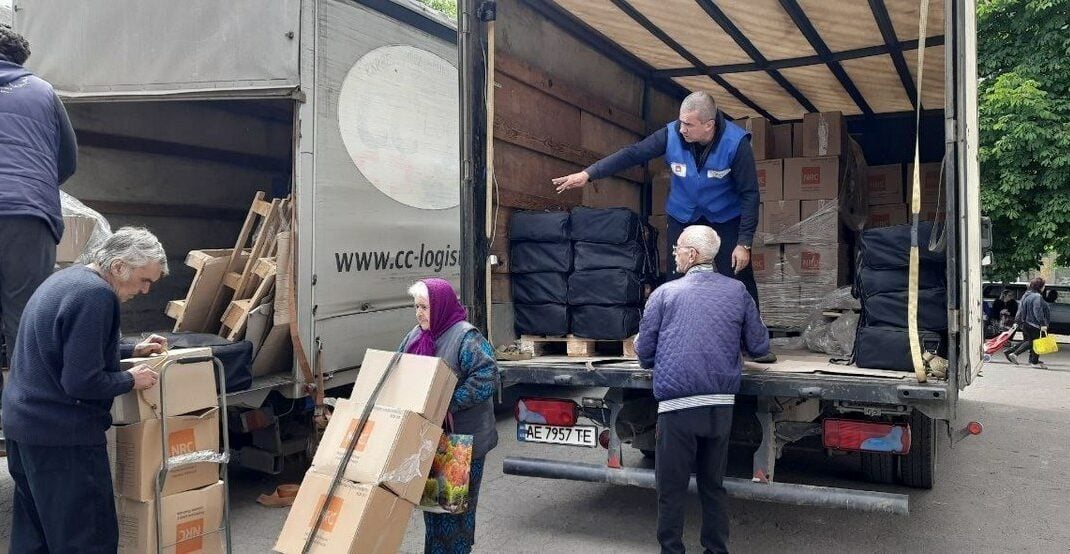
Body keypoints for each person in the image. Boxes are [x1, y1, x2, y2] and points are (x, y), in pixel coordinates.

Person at [552, 91, 774, 363]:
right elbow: (632, 154)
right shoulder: (671, 135)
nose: (682, 129)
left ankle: (755, 345)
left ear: (709, 124)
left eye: (689, 125)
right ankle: (673, 341)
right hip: (683, 215)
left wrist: (744, 242)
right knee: (676, 279)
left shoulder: (736, 144)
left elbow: (750, 194)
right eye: (681, 122)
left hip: (725, 217)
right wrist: (589, 174)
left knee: (738, 276)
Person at [2, 228, 168, 552]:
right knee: (87, 538)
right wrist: (130, 380)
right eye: (144, 280)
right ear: (119, 267)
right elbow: (81, 381)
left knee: (35, 535)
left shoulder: (68, 280)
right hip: (63, 438)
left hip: (24, 428)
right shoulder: (97, 296)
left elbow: (68, 348)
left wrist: (131, 350)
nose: (146, 290)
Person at [634, 225, 771, 554]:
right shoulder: (738, 292)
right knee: (713, 486)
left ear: (692, 255)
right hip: (720, 408)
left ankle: (672, 550)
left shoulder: (665, 294)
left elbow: (644, 355)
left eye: (678, 248)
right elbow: (760, 345)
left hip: (677, 410)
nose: (675, 254)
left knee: (671, 489)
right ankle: (715, 549)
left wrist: (643, 341)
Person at [0, 24, 79, 381]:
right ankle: (24, 416)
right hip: (29, 216)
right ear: (20, 59)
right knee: (26, 314)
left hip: (25, 207)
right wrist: (34, 186)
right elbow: (68, 160)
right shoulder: (44, 91)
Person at [400, 277, 499, 554]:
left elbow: (487, 377)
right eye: (416, 307)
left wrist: (447, 403)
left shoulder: (466, 338)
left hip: (461, 444)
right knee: (434, 510)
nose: (419, 313)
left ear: (441, 306)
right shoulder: (416, 336)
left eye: (425, 307)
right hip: (431, 439)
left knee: (455, 514)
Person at [1005, 277, 1050, 369]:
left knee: (1029, 341)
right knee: (1034, 342)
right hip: (1034, 324)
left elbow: (1020, 309)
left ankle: (1033, 360)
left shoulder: (1026, 295)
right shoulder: (1037, 297)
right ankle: (1015, 354)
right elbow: (1037, 311)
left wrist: (1017, 321)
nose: (1044, 287)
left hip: (1024, 323)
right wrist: (1043, 324)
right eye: (1043, 285)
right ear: (1040, 286)